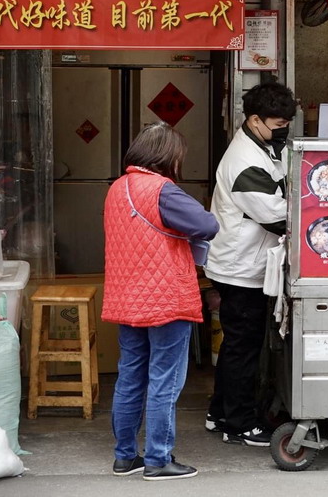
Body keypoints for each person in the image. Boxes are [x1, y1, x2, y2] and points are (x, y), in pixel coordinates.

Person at [102, 122, 219, 481]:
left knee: (130, 377)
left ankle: (125, 457)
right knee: (164, 379)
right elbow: (207, 224)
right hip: (166, 297)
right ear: (168, 157)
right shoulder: (162, 190)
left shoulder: (116, 189)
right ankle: (158, 459)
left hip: (127, 297)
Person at [204, 81, 298, 447]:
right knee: (244, 348)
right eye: (277, 124)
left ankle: (220, 413)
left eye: (287, 123)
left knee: (236, 346)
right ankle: (240, 423)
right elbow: (277, 216)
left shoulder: (265, 146)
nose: (283, 129)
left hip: (245, 263)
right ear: (255, 120)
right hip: (240, 268)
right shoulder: (245, 161)